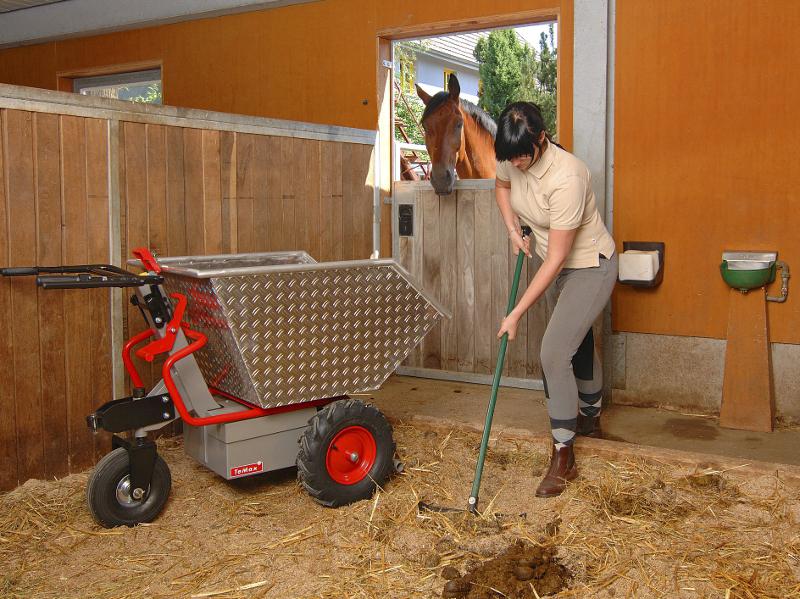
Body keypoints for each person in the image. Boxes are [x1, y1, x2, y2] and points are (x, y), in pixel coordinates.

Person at [493, 102, 618, 498]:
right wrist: (513, 228)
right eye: (510, 157)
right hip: (557, 267)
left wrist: (516, 313)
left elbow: (559, 257)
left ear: (541, 139)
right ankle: (591, 418)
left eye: (522, 156)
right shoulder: (512, 155)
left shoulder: (569, 176)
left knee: (553, 353)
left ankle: (565, 455)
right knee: (574, 345)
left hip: (590, 267)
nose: (516, 163)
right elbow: (501, 187)